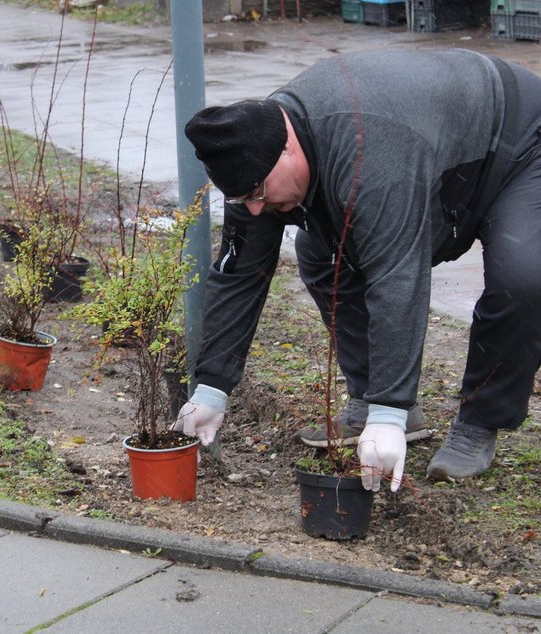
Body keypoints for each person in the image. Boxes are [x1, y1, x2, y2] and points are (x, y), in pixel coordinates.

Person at [172, 49, 541, 493]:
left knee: (523, 278)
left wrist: (391, 410)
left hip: (518, 140)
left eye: (257, 192)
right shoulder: (252, 149)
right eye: (241, 200)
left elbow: (397, 276)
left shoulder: (372, 156)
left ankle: (479, 422)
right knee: (321, 252)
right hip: (433, 143)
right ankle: (371, 397)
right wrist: (212, 386)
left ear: (289, 148)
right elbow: (239, 272)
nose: (254, 207)